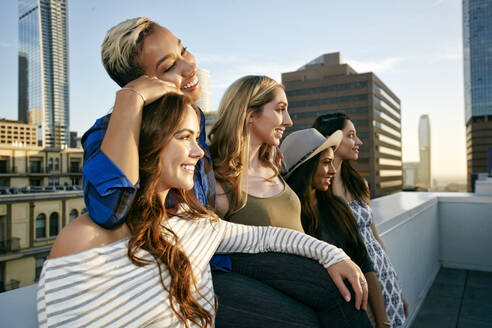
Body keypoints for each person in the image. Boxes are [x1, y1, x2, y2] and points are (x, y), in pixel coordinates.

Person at [80, 17, 370, 327]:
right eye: (168, 67)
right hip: (174, 280)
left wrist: (329, 252)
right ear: (144, 83)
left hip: (219, 255)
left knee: (343, 292)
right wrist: (130, 99)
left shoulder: (193, 121)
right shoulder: (106, 133)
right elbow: (109, 208)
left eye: (183, 50)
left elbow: (211, 216)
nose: (188, 66)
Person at [37, 94, 362, 327]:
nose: (197, 151)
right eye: (184, 137)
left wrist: (333, 255)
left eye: (197, 138)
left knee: (329, 301)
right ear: (149, 144)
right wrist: (133, 96)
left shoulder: (193, 223)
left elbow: (263, 238)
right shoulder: (85, 238)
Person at [209, 75, 372, 327]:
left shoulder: (274, 166)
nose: (289, 120)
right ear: (250, 113)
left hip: (308, 279)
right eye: (280, 110)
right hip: (277, 293)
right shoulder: (217, 181)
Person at [281, 128, 392, 328]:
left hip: (361, 313)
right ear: (306, 167)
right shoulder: (289, 218)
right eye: (325, 163)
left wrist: (383, 321)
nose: (333, 170)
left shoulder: (338, 208)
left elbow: (365, 264)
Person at [313, 112, 409, 327]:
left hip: (383, 275)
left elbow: (374, 237)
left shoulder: (359, 184)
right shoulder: (318, 192)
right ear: (334, 140)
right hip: (355, 283)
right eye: (351, 135)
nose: (359, 142)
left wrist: (397, 289)